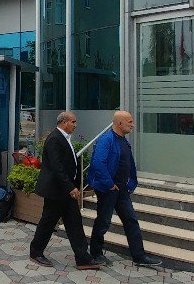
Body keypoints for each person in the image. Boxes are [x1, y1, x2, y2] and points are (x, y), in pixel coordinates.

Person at [86, 111, 162, 267]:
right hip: (109, 189)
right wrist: (109, 184)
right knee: (103, 221)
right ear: (119, 123)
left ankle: (139, 256)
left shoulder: (124, 141)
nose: (132, 125)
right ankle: (96, 253)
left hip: (122, 189)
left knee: (131, 220)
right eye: (130, 122)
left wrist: (132, 182)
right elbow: (98, 163)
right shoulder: (106, 140)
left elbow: (129, 163)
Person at [29, 111, 100, 270]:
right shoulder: (55, 139)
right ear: (63, 122)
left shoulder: (63, 138)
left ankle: (82, 258)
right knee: (48, 222)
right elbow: (57, 168)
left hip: (65, 192)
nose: (75, 125)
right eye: (73, 122)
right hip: (56, 191)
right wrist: (71, 187)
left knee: (75, 223)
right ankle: (36, 251)